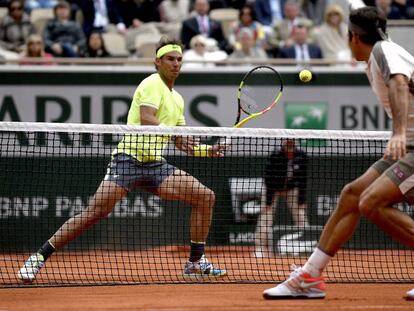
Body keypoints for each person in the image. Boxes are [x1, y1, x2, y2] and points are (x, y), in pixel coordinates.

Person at [17, 36, 228, 283]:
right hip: (128, 160)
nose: (176, 64)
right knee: (95, 212)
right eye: (170, 59)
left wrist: (207, 150)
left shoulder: (178, 99)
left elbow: (182, 143)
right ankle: (39, 257)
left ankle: (195, 262)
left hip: (155, 165)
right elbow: (147, 117)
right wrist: (176, 133)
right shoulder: (151, 83)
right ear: (157, 62)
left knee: (205, 197)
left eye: (179, 59)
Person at [263, 6, 414, 300]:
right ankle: (310, 276)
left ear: (352, 38)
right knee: (352, 195)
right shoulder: (382, 50)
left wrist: (396, 133)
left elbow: (397, 83)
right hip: (408, 146)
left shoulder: (385, 51)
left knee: (371, 202)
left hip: (410, 144)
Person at [255, 139, 309, 258]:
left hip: (292, 189)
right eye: (287, 139)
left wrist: (301, 200)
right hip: (273, 189)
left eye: (292, 139)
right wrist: (268, 203)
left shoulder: (301, 156)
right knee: (265, 218)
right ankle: (260, 248)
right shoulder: (275, 155)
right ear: (283, 142)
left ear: (295, 141)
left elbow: (303, 179)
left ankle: (306, 246)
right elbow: (268, 178)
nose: (289, 141)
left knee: (301, 215)